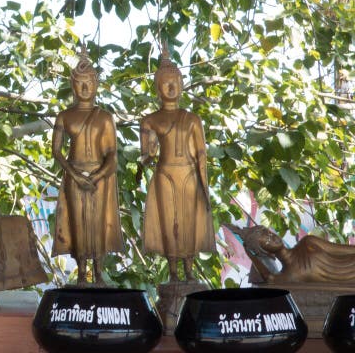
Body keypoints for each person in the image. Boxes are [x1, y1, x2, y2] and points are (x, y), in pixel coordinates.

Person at [140, 48, 214, 282]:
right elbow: (146, 155)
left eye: (175, 82)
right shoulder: (150, 120)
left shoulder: (192, 119)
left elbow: (201, 154)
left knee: (189, 222)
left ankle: (189, 271)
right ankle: (173, 271)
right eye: (165, 83)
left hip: (189, 174)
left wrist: (205, 187)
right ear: (157, 88)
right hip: (165, 175)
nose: (171, 87)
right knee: (169, 221)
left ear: (181, 85)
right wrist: (148, 153)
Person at [51, 53, 123, 285]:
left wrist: (100, 174)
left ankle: (99, 272)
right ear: (73, 85)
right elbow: (57, 151)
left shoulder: (104, 117)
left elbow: (112, 153)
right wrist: (73, 175)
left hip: (99, 175)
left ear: (96, 85)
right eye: (80, 83)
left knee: (98, 222)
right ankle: (82, 272)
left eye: (89, 83)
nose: (84, 88)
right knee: (78, 224)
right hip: (74, 174)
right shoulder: (65, 116)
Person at [228, 223, 355, 284]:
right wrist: (251, 255)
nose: (272, 237)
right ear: (263, 250)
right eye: (267, 241)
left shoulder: (307, 242)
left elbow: (341, 249)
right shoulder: (288, 275)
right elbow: (269, 278)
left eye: (269, 233)